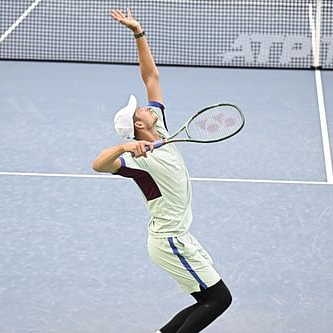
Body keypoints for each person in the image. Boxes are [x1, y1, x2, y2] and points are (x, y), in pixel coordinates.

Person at [92, 9, 232, 333]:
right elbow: (98, 164)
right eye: (139, 109)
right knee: (219, 300)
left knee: (208, 300)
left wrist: (138, 33)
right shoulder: (139, 160)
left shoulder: (162, 128)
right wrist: (124, 148)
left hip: (181, 236)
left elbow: (151, 77)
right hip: (170, 241)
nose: (144, 104)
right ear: (139, 125)